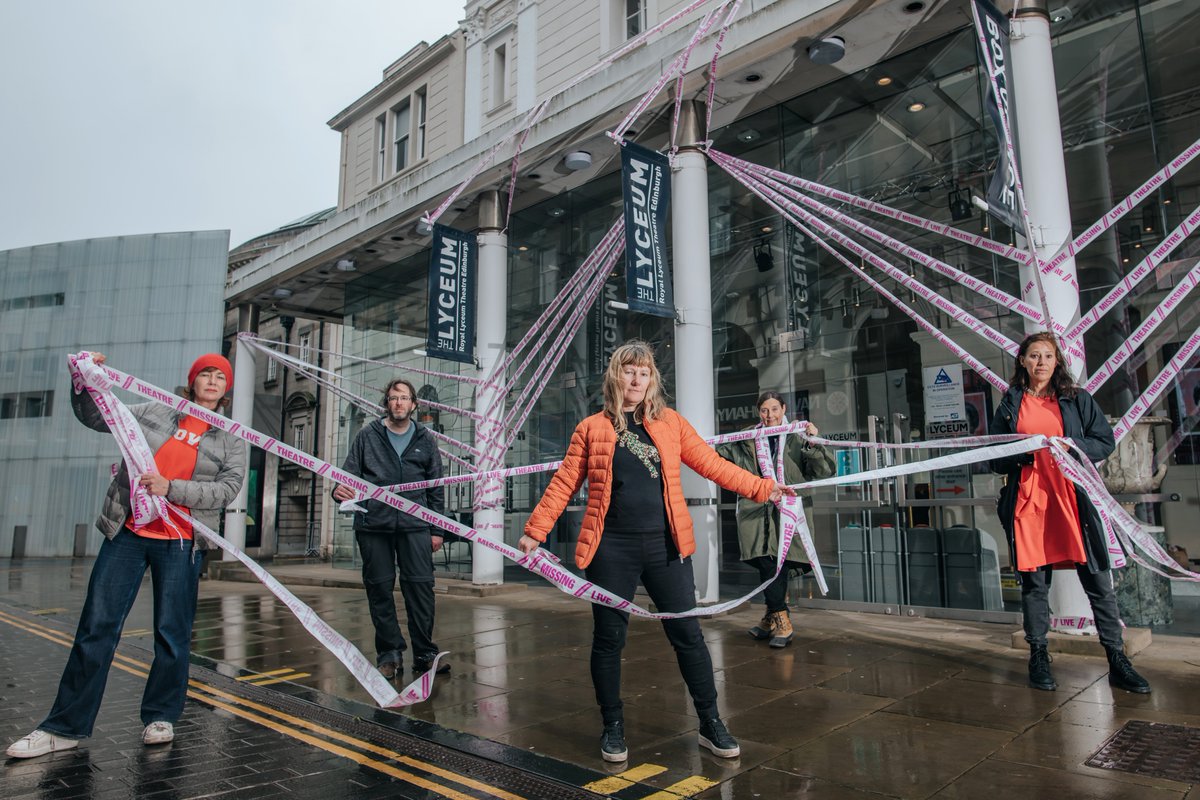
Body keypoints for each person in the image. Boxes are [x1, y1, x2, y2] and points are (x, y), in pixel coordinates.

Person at [519, 340, 791, 763]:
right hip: (611, 550)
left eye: (644, 373)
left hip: (666, 546)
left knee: (688, 637)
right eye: (629, 371)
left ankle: (710, 722)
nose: (636, 379)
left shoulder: (670, 424)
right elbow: (564, 482)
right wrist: (535, 530)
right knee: (609, 639)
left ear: (652, 380)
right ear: (615, 375)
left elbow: (713, 465)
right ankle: (612, 726)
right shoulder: (591, 428)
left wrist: (765, 487)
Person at [7, 353, 247, 758]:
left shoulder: (232, 436)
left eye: (219, 376)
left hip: (182, 541)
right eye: (205, 373)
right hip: (129, 532)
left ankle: (161, 716)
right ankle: (63, 727)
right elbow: (99, 416)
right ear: (192, 381)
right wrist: (82, 381)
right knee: (95, 628)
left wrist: (170, 488)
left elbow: (227, 490)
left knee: (172, 634)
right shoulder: (155, 409)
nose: (212, 380)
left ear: (226, 388)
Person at [990, 332, 1150, 694]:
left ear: (1057, 361)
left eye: (1047, 356)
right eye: (1033, 356)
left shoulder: (1076, 399)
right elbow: (993, 455)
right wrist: (1025, 451)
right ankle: (1039, 655)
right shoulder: (1010, 404)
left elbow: (1104, 441)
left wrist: (1071, 446)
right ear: (1022, 362)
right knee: (1034, 585)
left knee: (1098, 581)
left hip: (1073, 500)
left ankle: (1117, 660)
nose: (1041, 363)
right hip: (1029, 503)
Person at [332, 378, 447, 679]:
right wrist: (339, 490)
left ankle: (424, 654)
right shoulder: (367, 435)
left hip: (415, 526)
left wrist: (437, 530)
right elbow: (348, 476)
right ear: (387, 402)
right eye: (393, 397)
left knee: (421, 589)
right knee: (379, 589)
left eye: (404, 398)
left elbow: (435, 488)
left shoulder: (425, 439)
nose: (399, 403)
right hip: (374, 525)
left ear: (413, 404)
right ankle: (389, 654)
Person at [717, 391, 835, 648]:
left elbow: (824, 470)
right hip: (755, 510)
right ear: (758, 412)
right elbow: (718, 456)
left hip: (789, 511)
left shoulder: (797, 435)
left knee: (777, 563)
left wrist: (813, 442)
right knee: (766, 561)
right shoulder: (748, 437)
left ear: (783, 409)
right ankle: (778, 617)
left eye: (774, 409)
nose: (769, 416)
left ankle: (776, 618)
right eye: (764, 410)